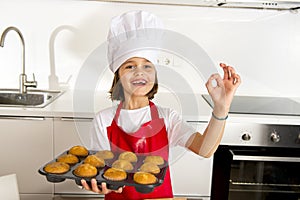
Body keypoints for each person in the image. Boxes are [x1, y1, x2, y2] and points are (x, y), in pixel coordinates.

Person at [81, 10, 241, 200]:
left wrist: (221, 107)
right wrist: (98, 184)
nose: (139, 72)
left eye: (147, 66)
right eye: (130, 66)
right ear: (118, 75)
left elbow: (205, 150)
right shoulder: (103, 120)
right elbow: (99, 170)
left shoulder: (167, 118)